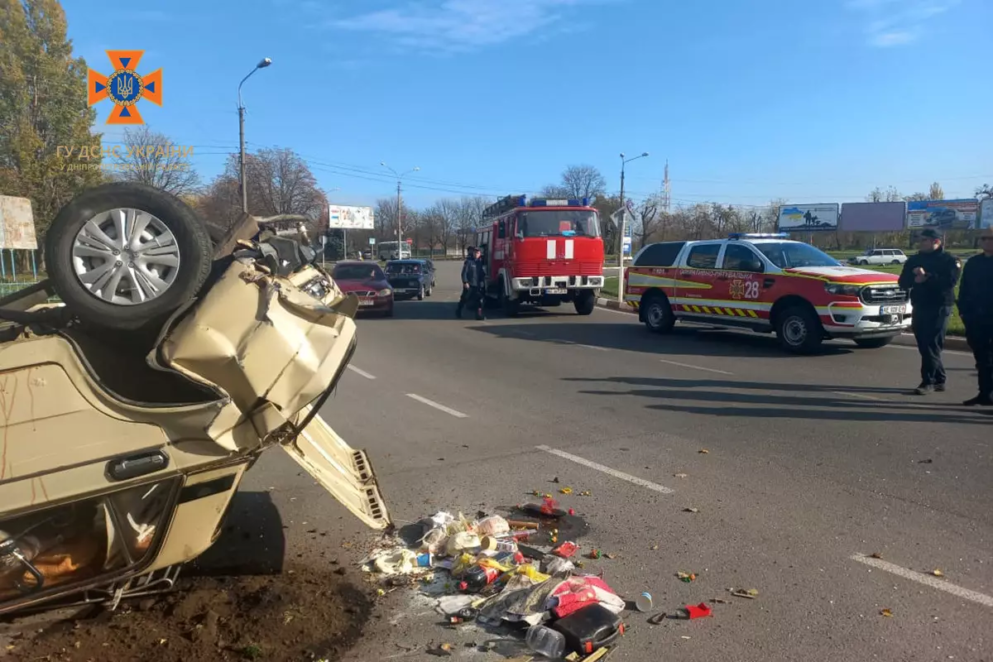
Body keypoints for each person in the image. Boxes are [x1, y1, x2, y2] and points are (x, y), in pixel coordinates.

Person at [898, 228, 962, 395]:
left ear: (936, 241)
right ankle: (939, 378)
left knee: (931, 343)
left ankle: (928, 381)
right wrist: (913, 277)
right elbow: (902, 282)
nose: (921, 242)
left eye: (924, 239)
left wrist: (927, 277)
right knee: (923, 344)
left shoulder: (949, 260)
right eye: (920, 239)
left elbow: (950, 282)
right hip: (920, 304)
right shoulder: (915, 260)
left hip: (940, 305)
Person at [957, 227, 993, 406]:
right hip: (976, 318)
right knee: (982, 358)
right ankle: (984, 393)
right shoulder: (974, 262)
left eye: (990, 239)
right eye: (983, 238)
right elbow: (964, 289)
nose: (987, 241)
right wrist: (963, 311)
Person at [456, 246, 485, 320]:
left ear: (480, 254)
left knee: (478, 300)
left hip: (477, 285)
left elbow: (481, 274)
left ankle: (478, 315)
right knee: (465, 299)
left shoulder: (479, 262)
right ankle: (458, 311)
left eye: (478, 253)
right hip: (469, 285)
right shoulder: (469, 262)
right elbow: (464, 273)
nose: (476, 254)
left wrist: (482, 282)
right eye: (475, 252)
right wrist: (465, 282)